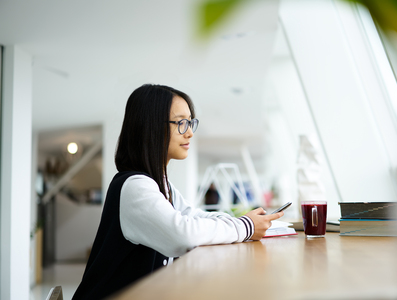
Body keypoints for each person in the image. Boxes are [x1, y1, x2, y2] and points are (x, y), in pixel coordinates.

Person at [72, 84, 283, 299]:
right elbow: (183, 235)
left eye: (190, 123)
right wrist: (245, 226)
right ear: (152, 127)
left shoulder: (158, 183)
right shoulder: (135, 186)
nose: (190, 133)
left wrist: (242, 221)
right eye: (181, 123)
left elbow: (193, 216)